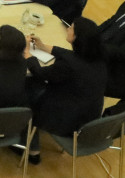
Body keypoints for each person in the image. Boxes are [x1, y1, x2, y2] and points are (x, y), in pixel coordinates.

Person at [25, 18, 107, 164]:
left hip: (66, 121)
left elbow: (40, 73)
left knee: (27, 91)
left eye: (71, 28)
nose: (68, 29)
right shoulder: (98, 58)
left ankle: (33, 150)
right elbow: (69, 55)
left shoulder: (68, 66)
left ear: (76, 37)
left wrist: (26, 53)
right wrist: (43, 46)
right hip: (88, 117)